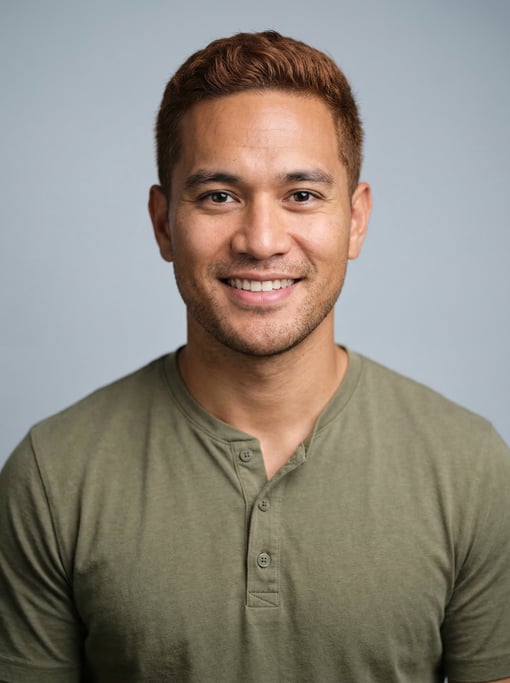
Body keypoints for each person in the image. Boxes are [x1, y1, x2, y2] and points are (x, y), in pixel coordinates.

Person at [0, 30, 509, 683]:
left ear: (355, 221)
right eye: (219, 195)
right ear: (163, 224)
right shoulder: (52, 476)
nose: (262, 240)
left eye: (301, 194)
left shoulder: (470, 468)